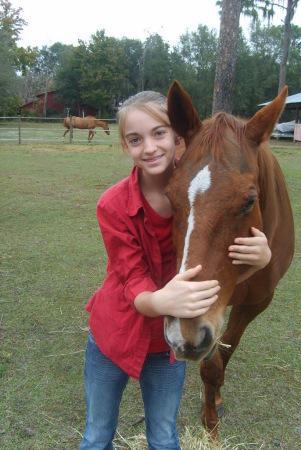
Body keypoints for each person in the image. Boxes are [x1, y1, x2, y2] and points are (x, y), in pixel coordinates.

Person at [79, 90, 271, 450]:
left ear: (177, 135)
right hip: (114, 334)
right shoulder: (113, 205)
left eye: (159, 133)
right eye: (136, 139)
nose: (150, 147)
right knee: (96, 433)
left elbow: (213, 274)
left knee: (164, 436)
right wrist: (162, 300)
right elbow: (132, 280)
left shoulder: (203, 196)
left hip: (167, 345)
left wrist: (258, 262)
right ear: (125, 145)